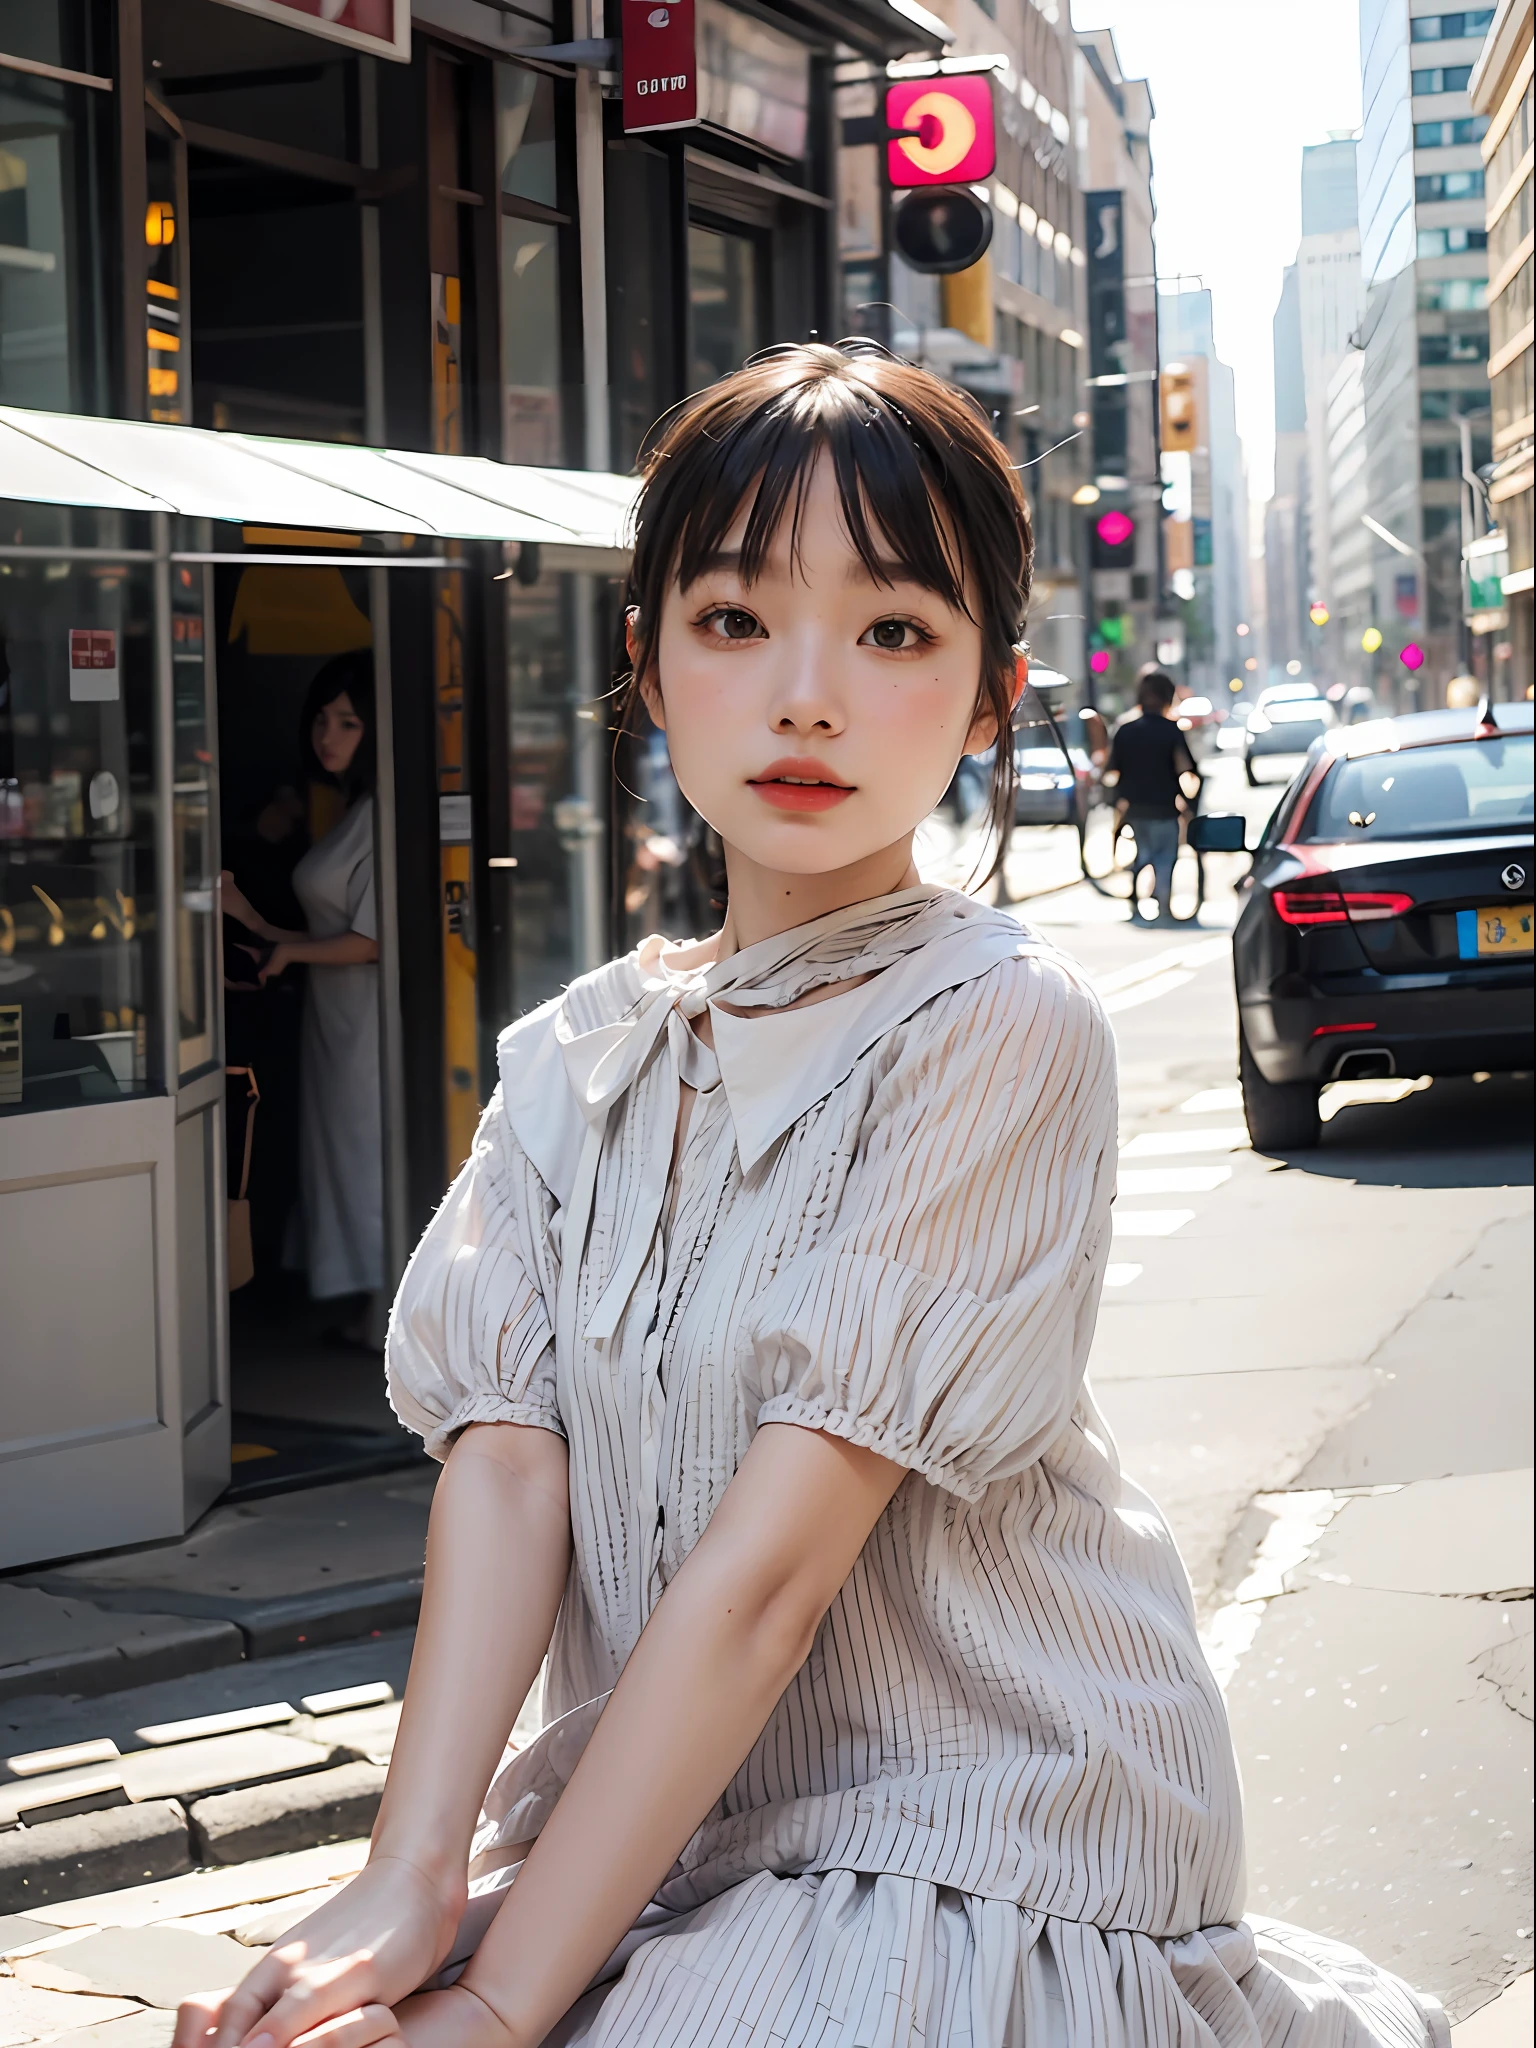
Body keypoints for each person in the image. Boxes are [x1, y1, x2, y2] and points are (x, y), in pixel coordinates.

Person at [178, 345, 1447, 2048]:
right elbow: (505, 1459)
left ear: (992, 692)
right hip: (676, 1823)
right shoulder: (576, 1054)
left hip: (979, 1814)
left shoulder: (994, 1019)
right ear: (645, 659)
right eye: (733, 619)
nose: (805, 695)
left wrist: (491, 1999)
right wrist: (407, 1873)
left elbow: (774, 1581)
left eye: (894, 631)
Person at [221, 650, 383, 1345]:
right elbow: (331, 931)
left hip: (369, 1021)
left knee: (364, 1157)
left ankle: (388, 1310)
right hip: (337, 1017)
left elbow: (372, 940)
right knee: (342, 1159)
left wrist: (283, 946)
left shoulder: (384, 814)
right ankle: (371, 1302)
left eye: (348, 722)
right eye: (322, 720)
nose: (329, 736)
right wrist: (259, 927)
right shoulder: (356, 811)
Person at [1105, 669, 1201, 921]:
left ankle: (1136, 906)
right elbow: (1187, 769)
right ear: (1168, 697)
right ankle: (1163, 908)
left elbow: (1112, 770)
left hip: (1135, 809)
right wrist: (1190, 803)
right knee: (1165, 858)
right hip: (1165, 807)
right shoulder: (1171, 731)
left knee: (1142, 854)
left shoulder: (1125, 731)